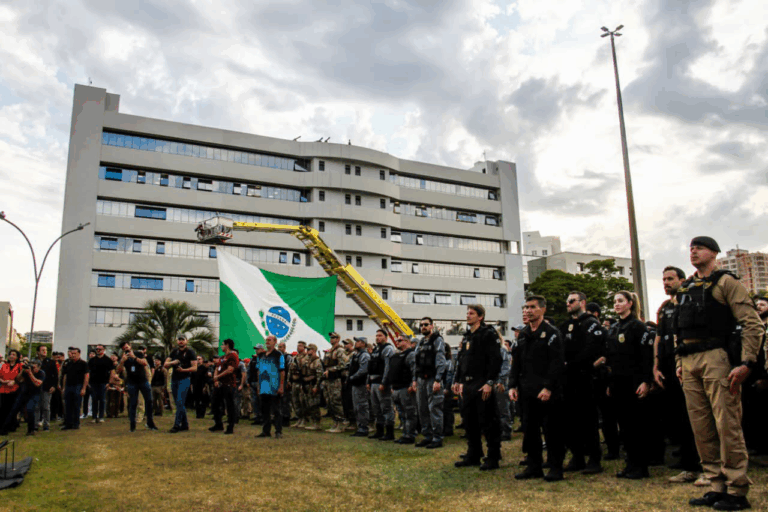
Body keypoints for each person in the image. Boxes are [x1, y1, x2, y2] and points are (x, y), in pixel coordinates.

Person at [676, 237, 763, 511]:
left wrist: (748, 362)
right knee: (701, 426)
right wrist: (679, 360)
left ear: (714, 253)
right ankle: (715, 485)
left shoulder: (727, 283)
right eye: (691, 247)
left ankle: (737, 489)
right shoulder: (687, 287)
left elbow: (752, 324)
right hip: (689, 360)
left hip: (717, 357)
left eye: (699, 247)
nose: (693, 251)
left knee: (727, 425)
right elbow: (680, 327)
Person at [651, 266, 702, 484]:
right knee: (678, 418)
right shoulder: (664, 308)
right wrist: (655, 365)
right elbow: (659, 338)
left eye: (670, 279)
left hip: (689, 365)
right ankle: (688, 465)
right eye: (663, 279)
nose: (666, 283)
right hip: (668, 369)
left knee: (696, 418)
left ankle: (704, 466)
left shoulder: (690, 301)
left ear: (682, 280)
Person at [510, 296, 566, 481]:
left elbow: (556, 363)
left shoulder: (551, 333)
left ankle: (555, 468)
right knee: (530, 430)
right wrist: (512, 385)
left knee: (552, 431)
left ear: (542, 310)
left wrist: (549, 387)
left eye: (532, 307)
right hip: (527, 390)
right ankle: (534, 467)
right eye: (525, 307)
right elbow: (516, 363)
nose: (527, 310)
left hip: (547, 392)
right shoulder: (524, 334)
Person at [606, 291, 653, 480]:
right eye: (615, 302)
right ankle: (630, 464)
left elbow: (646, 356)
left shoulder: (638, 326)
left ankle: (641, 467)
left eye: (620, 301)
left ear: (630, 303)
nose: (616, 305)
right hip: (618, 381)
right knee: (624, 427)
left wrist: (645, 381)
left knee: (636, 426)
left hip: (634, 381)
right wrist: (610, 383)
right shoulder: (615, 327)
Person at [560, 291, 605, 475]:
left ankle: (594, 459)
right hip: (569, 378)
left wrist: (574, 364)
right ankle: (577, 457)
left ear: (583, 302)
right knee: (571, 421)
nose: (568, 304)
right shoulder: (567, 325)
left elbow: (594, 349)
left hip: (586, 377)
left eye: (572, 301)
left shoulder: (591, 323)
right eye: (567, 302)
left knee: (588, 420)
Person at [454, 304, 502, 471]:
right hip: (467, 384)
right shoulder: (467, 336)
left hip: (481, 383)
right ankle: (473, 454)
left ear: (480, 317)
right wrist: (457, 380)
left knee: (488, 421)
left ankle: (493, 457)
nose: (468, 316)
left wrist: (490, 382)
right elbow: (461, 361)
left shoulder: (488, 334)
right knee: (469, 421)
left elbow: (496, 359)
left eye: (471, 313)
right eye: (467, 313)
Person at [413, 318, 446, 448]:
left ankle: (437, 438)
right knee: (422, 409)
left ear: (432, 326)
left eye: (426, 324)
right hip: (421, 379)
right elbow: (416, 363)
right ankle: (428, 436)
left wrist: (438, 379)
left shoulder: (437, 340)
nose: (423, 327)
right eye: (421, 325)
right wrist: (414, 380)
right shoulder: (420, 342)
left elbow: (440, 360)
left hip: (432, 379)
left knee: (434, 409)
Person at [116, 342, 157, 432]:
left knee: (149, 401)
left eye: (127, 346)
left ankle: (150, 423)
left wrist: (134, 357)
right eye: (124, 348)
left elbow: (145, 363)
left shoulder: (138, 353)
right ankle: (132, 425)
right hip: (132, 383)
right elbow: (118, 371)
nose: (126, 349)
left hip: (143, 381)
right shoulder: (123, 358)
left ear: (130, 346)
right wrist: (122, 361)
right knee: (133, 403)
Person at [385, 335, 418, 444]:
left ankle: (410, 435)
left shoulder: (411, 354)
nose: (397, 342)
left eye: (399, 340)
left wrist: (412, 383)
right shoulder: (396, 356)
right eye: (396, 340)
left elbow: (414, 370)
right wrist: (391, 386)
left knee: (409, 413)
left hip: (405, 389)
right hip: (396, 389)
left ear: (407, 341)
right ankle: (405, 434)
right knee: (402, 414)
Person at [0, 359, 45, 436]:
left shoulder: (41, 373)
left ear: (39, 367)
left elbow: (37, 383)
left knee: (30, 409)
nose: (32, 367)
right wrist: (22, 371)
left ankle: (31, 430)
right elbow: (18, 380)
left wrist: (30, 373)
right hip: (24, 392)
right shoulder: (25, 372)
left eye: (34, 366)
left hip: (35, 394)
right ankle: (4, 429)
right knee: (14, 409)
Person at [165, 335, 198, 433]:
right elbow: (165, 364)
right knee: (179, 403)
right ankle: (185, 424)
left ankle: (177, 424)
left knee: (180, 401)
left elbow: (195, 368)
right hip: (174, 379)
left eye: (182, 340)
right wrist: (173, 362)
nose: (181, 342)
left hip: (184, 379)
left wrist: (184, 370)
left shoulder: (190, 352)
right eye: (179, 340)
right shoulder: (174, 352)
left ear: (186, 341)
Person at [367, 330, 396, 441]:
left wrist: (384, 382)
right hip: (373, 383)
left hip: (381, 383)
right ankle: (379, 431)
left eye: (380, 336)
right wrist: (368, 382)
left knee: (386, 408)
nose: (377, 338)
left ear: (386, 337)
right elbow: (370, 367)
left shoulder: (388, 349)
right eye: (376, 335)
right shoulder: (376, 349)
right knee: (376, 408)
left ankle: (389, 433)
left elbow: (388, 368)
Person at [255, 335, 285, 439]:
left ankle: (278, 431)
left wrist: (281, 386)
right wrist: (258, 385)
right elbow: (258, 371)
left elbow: (282, 371)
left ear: (275, 342)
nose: (267, 342)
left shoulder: (278, 355)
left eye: (269, 340)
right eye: (266, 340)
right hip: (263, 386)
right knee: (264, 410)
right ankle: (266, 431)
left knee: (276, 410)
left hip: (274, 386)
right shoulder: (261, 355)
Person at [209, 339, 239, 434]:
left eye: (223, 345)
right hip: (220, 384)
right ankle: (218, 424)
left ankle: (230, 426)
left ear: (227, 345)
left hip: (228, 384)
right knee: (215, 404)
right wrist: (216, 378)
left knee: (230, 405)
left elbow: (230, 370)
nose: (221, 346)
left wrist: (217, 376)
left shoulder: (233, 356)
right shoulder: (222, 357)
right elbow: (217, 368)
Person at [323, 333, 348, 433]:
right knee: (330, 402)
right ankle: (336, 422)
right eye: (331, 337)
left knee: (336, 401)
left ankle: (341, 423)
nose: (331, 339)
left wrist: (332, 369)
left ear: (338, 339)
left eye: (333, 338)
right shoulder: (330, 350)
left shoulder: (340, 350)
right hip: (329, 379)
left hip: (336, 379)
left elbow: (343, 364)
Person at [61, 347, 89, 430]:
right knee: (68, 405)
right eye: (71, 353)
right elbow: (65, 376)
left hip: (78, 386)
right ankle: (68, 423)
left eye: (74, 353)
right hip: (69, 386)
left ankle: (76, 423)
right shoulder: (68, 363)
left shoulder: (83, 364)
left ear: (79, 354)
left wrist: (84, 388)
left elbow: (86, 376)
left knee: (76, 405)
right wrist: (63, 387)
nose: (72, 355)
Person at [348, 337, 371, 437]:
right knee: (356, 406)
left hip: (361, 384)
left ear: (363, 344)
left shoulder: (364, 355)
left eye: (358, 342)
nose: (356, 343)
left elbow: (363, 370)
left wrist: (352, 377)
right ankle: (360, 426)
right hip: (355, 384)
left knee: (362, 406)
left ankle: (363, 428)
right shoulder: (356, 355)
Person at [88, 344, 114, 424]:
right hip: (93, 383)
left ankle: (101, 416)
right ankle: (94, 416)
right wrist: (88, 382)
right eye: (97, 349)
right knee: (94, 400)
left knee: (102, 400)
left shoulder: (108, 360)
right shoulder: (92, 360)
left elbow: (112, 372)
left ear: (103, 350)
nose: (98, 350)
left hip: (104, 383)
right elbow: (88, 372)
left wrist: (109, 382)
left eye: (100, 349)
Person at [34, 346, 57, 432]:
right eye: (42, 350)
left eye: (46, 350)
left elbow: (55, 375)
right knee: (36, 407)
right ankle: (35, 424)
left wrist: (54, 386)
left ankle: (46, 425)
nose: (44, 352)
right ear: (38, 352)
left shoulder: (51, 362)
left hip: (47, 388)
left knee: (46, 407)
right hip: (36, 387)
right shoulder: (34, 362)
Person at [301, 344, 324, 430]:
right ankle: (313, 421)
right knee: (309, 404)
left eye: (309, 349)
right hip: (308, 384)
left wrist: (316, 386)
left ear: (314, 350)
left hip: (314, 384)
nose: (307, 351)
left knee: (314, 405)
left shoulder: (317, 361)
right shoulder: (308, 360)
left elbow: (319, 375)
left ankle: (317, 423)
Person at [0, 350, 22, 433]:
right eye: (10, 354)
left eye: (14, 354)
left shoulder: (20, 366)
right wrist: (4, 382)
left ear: (17, 357)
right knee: (3, 408)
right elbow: (0, 376)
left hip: (14, 389)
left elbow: (22, 377)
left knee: (12, 409)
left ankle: (11, 425)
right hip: (4, 389)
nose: (11, 356)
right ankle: (3, 426)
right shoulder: (4, 365)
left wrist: (14, 381)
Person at [496, 334, 512, 442]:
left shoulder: (502, 350)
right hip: (491, 383)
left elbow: (506, 367)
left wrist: (500, 381)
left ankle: (506, 432)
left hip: (500, 384)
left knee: (503, 409)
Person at [289, 342, 307, 428]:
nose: (298, 347)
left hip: (302, 382)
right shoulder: (295, 358)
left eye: (300, 345)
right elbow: (290, 369)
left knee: (302, 401)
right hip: (294, 382)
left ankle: (304, 419)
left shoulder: (307, 357)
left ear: (304, 347)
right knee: (295, 401)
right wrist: (289, 379)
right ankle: (299, 418)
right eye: (298, 345)